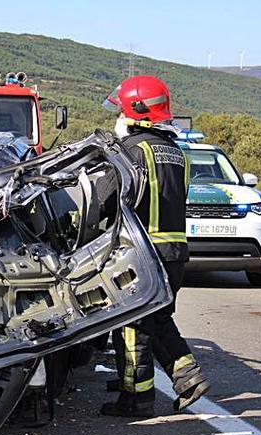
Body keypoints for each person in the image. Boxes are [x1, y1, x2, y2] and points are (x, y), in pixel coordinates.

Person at [99, 75, 210, 417]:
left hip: (143, 254)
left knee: (132, 326)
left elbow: (105, 200)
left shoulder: (130, 151)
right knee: (158, 318)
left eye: (119, 109)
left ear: (134, 110)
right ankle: (188, 376)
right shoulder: (176, 152)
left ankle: (137, 400)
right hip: (175, 251)